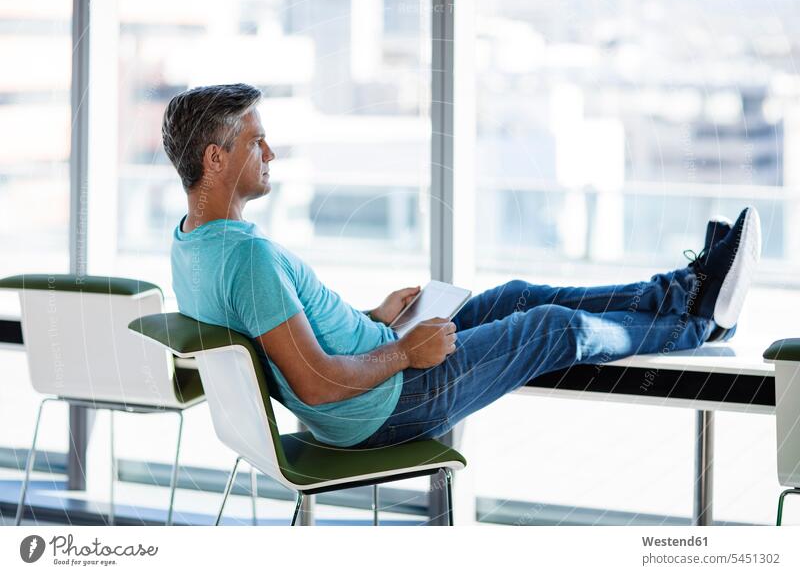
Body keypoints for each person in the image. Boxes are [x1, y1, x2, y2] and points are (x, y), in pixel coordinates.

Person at [163, 83, 762, 450]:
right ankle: (701, 320)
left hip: (371, 368)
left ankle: (682, 289)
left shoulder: (190, 243)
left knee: (517, 296)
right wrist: (403, 352)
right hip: (383, 402)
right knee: (551, 326)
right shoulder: (246, 256)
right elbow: (316, 384)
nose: (270, 153)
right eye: (254, 143)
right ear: (216, 159)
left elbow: (282, 340)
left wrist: (375, 318)